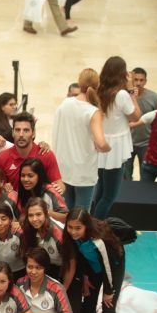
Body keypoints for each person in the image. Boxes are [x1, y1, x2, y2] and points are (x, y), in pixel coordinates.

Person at [64, 208, 125, 313]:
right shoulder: (72, 238)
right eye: (70, 227)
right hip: (93, 270)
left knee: (108, 309)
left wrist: (109, 291)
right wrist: (85, 278)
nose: (73, 232)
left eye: (78, 228)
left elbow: (109, 267)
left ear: (86, 227)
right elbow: (81, 258)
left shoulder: (99, 241)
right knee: (87, 306)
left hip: (112, 269)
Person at [52, 68, 111, 211]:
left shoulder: (65, 103)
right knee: (82, 216)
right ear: (98, 86)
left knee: (67, 213)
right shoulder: (92, 111)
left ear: (79, 83)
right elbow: (101, 143)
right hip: (84, 172)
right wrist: (108, 147)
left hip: (64, 168)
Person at [94, 56, 141, 219]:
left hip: (101, 143)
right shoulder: (121, 95)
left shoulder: (99, 90)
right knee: (109, 196)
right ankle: (95, 228)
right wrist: (133, 95)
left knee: (100, 191)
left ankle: (91, 223)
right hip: (115, 148)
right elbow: (136, 117)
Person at [0, 112, 63, 195]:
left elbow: (60, 185)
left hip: (40, 204)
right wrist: (4, 187)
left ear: (33, 133)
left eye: (26, 130)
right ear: (12, 132)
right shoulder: (3, 156)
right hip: (13, 205)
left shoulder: (46, 154)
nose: (21, 134)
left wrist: (58, 190)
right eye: (17, 130)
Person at [19, 197, 74, 282]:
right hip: (42, 266)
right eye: (31, 215)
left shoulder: (59, 235)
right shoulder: (28, 228)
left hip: (62, 269)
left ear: (46, 213)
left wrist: (64, 289)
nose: (34, 219)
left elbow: (71, 264)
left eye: (38, 214)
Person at [123, 67, 157, 181]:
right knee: (125, 177)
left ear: (145, 81)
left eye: (141, 80)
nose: (138, 83)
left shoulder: (153, 97)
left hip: (146, 143)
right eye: (136, 80)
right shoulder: (123, 96)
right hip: (127, 142)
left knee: (145, 176)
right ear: (131, 80)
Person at [17, 158, 68, 223]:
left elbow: (66, 217)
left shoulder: (50, 191)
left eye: (30, 176)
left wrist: (45, 213)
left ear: (39, 176)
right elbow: (22, 215)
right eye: (23, 175)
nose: (25, 179)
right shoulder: (22, 191)